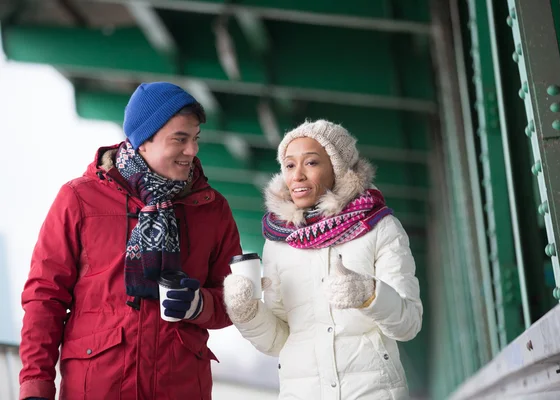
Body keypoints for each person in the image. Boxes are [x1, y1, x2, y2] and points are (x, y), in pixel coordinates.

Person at [19, 82, 241, 400]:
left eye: (195, 139)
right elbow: (45, 298)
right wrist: (35, 386)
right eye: (180, 139)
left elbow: (237, 299)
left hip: (180, 387)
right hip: (96, 387)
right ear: (143, 140)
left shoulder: (212, 208)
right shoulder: (79, 199)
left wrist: (199, 305)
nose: (192, 151)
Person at [223, 120, 423, 399]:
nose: (298, 176)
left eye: (311, 163)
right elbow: (278, 340)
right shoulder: (278, 243)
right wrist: (247, 314)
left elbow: (409, 323)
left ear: (337, 168)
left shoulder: (380, 227)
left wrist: (370, 295)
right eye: (290, 165)